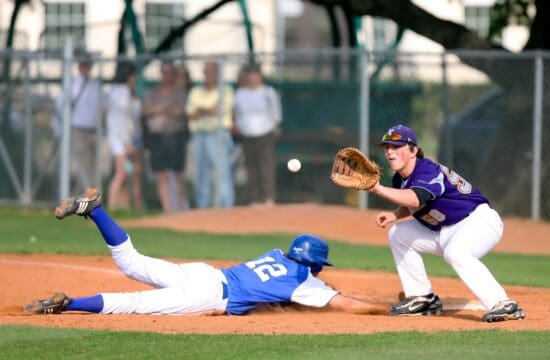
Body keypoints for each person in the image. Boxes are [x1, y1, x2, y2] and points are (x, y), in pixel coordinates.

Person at [23, 188, 385, 316]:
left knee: (130, 262)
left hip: (204, 273)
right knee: (132, 303)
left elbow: (275, 293)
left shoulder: (276, 255)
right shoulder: (302, 281)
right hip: (208, 294)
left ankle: (95, 210)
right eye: (319, 267)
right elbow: (345, 303)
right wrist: (388, 310)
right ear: (314, 265)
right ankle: (68, 304)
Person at [368, 124, 525, 322]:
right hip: (444, 230)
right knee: (398, 233)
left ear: (414, 150)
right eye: (387, 147)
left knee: (456, 253)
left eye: (397, 146)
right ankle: (423, 299)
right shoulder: (399, 179)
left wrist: (377, 189)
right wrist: (395, 215)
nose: (390, 151)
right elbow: (414, 203)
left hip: (478, 221)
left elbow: (417, 198)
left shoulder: (428, 170)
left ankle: (503, 304)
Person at [52, 50, 103, 192]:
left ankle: (84, 199)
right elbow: (59, 107)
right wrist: (58, 130)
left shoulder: (95, 85)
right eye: (83, 65)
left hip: (93, 131)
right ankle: (83, 199)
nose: (86, 68)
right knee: (84, 167)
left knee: (92, 168)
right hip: (78, 131)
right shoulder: (72, 85)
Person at [186, 61, 235, 208]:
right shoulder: (195, 92)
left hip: (219, 134)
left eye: (212, 71)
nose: (209, 75)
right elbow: (191, 115)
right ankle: (202, 208)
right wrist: (207, 110)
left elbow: (219, 111)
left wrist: (201, 110)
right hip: (200, 135)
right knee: (200, 175)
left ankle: (226, 207)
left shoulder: (225, 90)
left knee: (222, 173)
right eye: (206, 71)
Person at [233, 64, 282, 206]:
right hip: (247, 134)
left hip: (265, 132)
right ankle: (254, 198)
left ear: (260, 76)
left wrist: (273, 128)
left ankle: (269, 197)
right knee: (250, 166)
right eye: (250, 75)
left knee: (266, 165)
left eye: (256, 75)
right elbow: (236, 113)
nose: (253, 78)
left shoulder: (268, 92)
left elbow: (276, 113)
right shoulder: (240, 93)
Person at [143, 61, 188, 213]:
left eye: (170, 73)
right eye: (164, 72)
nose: (167, 76)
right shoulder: (153, 92)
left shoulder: (179, 92)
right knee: (160, 174)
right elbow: (147, 111)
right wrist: (165, 109)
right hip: (157, 138)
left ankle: (181, 208)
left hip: (175, 137)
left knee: (177, 173)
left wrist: (160, 109)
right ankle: (168, 209)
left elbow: (179, 111)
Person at [105, 62, 143, 210]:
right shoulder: (122, 93)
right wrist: (126, 143)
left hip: (124, 139)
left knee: (128, 173)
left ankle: (123, 207)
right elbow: (122, 121)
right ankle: (113, 206)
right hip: (121, 140)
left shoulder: (117, 92)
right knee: (121, 173)